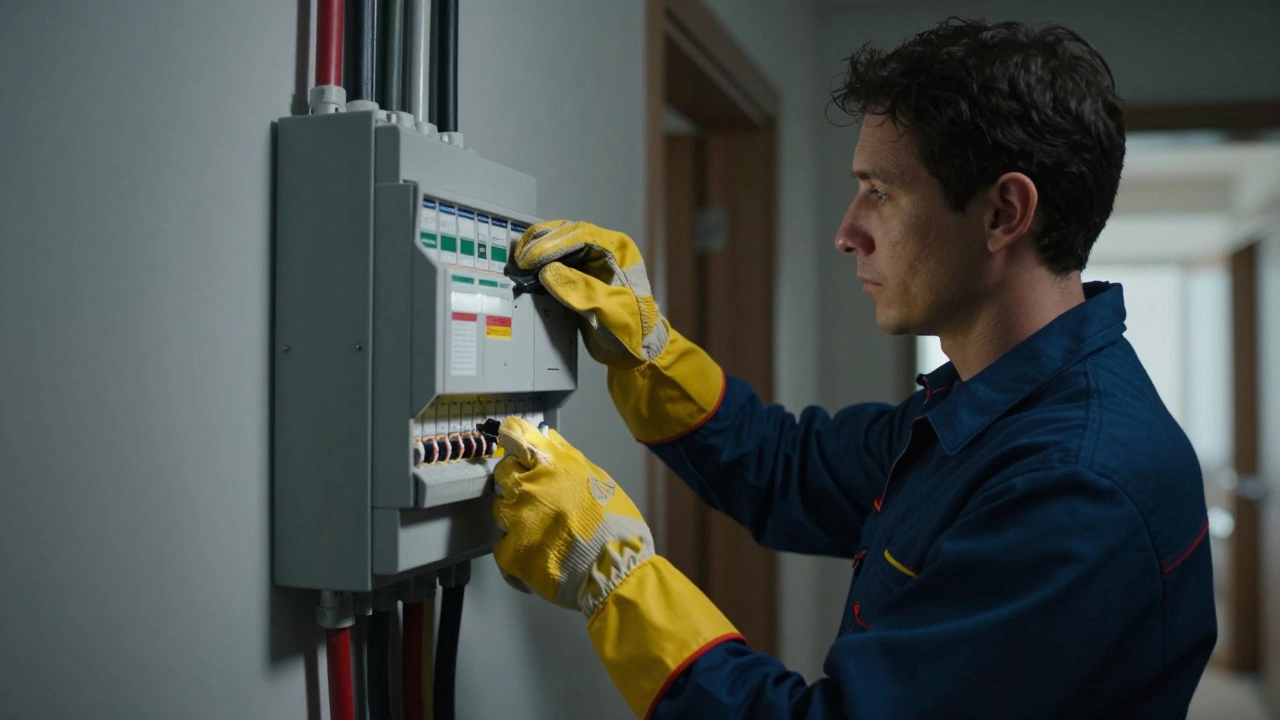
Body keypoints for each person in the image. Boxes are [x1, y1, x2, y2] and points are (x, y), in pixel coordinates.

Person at [490, 18, 1216, 719]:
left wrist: (613, 577)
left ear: (1002, 213)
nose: (847, 233)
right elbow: (788, 466)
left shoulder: (1071, 486)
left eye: (881, 192)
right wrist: (651, 357)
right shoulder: (990, 408)